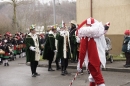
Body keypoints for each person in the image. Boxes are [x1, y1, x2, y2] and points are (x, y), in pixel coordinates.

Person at [77, 17, 110, 86]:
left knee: (99, 80)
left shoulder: (85, 35)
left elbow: (82, 52)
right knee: (93, 77)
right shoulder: (100, 34)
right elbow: (104, 46)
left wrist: (79, 65)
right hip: (100, 59)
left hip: (92, 61)